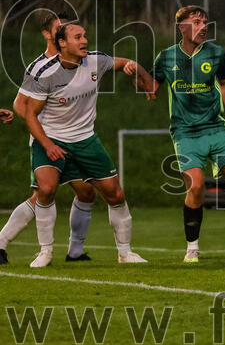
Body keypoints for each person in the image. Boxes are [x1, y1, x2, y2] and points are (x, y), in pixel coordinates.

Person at [17, 22, 153, 267]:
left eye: (85, 36)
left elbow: (127, 63)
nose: (84, 41)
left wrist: (143, 77)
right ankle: (45, 252)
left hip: (85, 139)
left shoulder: (96, 61)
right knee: (46, 190)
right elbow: (30, 114)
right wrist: (47, 144)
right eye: (78, 37)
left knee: (115, 194)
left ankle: (125, 253)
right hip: (51, 138)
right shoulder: (46, 72)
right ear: (62, 43)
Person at [0, 12, 118, 265]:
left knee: (86, 192)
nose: (66, 31)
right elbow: (20, 104)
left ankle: (75, 252)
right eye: (59, 28)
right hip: (49, 141)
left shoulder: (83, 60)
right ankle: (3, 243)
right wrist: (44, 134)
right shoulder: (39, 67)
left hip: (77, 140)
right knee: (44, 193)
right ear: (48, 34)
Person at [151, 5, 225, 263]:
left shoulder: (216, 53)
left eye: (205, 22)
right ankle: (192, 248)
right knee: (196, 186)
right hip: (185, 133)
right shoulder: (166, 57)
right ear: (182, 27)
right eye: (197, 21)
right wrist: (140, 79)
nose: (203, 26)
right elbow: (151, 86)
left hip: (216, 128)